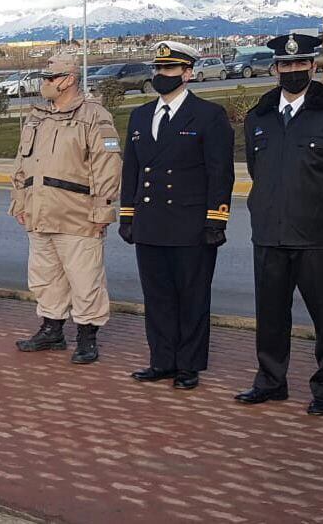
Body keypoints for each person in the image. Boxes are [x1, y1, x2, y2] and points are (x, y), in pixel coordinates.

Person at [234, 33, 323, 416]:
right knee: (270, 314)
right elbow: (258, 170)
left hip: (316, 236)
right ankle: (270, 381)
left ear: (313, 65)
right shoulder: (259, 116)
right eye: (285, 65)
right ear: (275, 68)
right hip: (269, 234)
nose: (293, 71)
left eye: (300, 64)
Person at [119, 41, 234, 390]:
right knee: (158, 297)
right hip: (151, 222)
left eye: (169, 70)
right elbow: (132, 170)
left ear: (187, 73)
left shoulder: (208, 116)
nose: (161, 76)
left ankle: (188, 365)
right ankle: (162, 360)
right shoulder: (140, 116)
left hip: (190, 224)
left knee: (192, 296)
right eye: (158, 69)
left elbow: (220, 172)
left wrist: (217, 219)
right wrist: (127, 215)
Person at [10, 55, 122, 363]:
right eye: (43, 78)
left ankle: (87, 336)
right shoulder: (37, 117)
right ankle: (52, 329)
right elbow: (22, 164)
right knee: (45, 277)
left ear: (69, 79)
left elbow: (107, 166)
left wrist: (102, 211)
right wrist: (20, 201)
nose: (43, 83)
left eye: (49, 77)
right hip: (40, 213)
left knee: (85, 279)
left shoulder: (94, 117)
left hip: (77, 216)